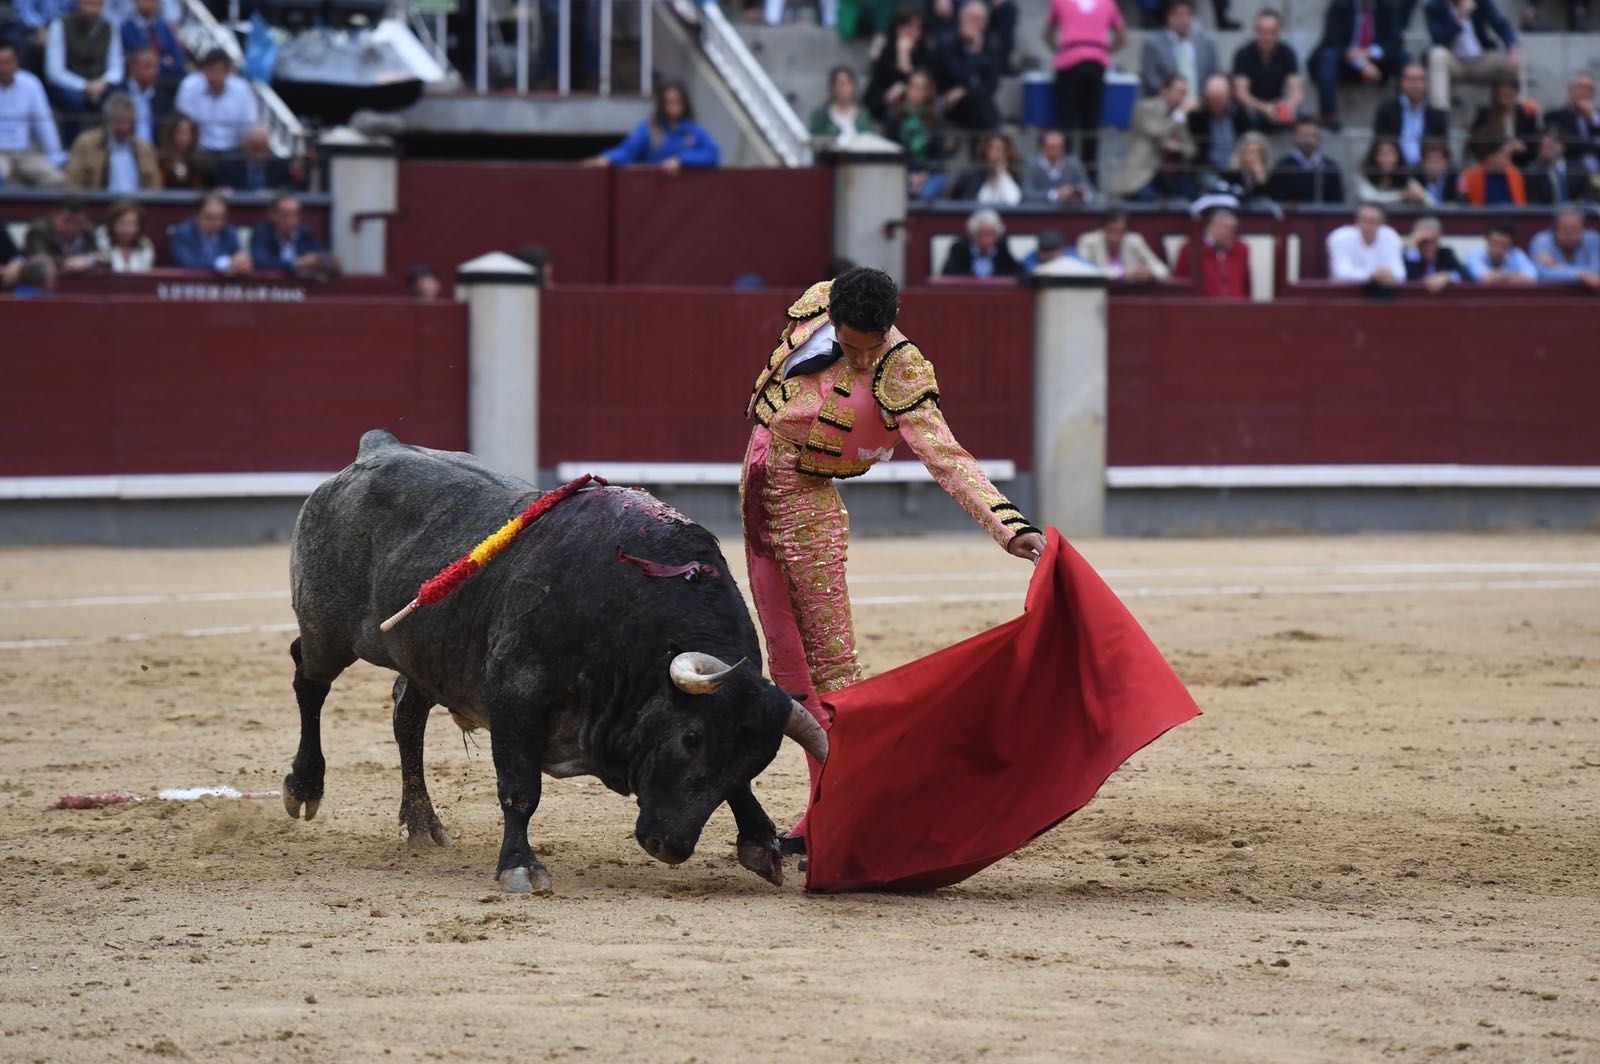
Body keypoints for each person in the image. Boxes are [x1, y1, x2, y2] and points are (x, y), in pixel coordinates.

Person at [740, 265, 1044, 851]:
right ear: (832, 317)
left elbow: (947, 456)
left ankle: (848, 814)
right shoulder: (817, 304)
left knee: (835, 675)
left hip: (807, 512)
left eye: (870, 348)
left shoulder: (900, 368)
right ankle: (822, 814)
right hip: (756, 498)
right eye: (851, 346)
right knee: (789, 671)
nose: (860, 360)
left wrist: (1008, 526)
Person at [1043, 0, 1124, 174]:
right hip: (1095, 63)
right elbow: (1121, 36)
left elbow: (1047, 34)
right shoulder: (1107, 3)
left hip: (1068, 62)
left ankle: (1064, 173)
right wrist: (1102, 50)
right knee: (1091, 124)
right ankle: (1089, 176)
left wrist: (1061, 50)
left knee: (1067, 122)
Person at [1310, 0, 1405, 131]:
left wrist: (1370, 52)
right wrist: (1361, 63)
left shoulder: (1387, 7)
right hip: (1346, 62)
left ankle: (1404, 112)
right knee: (1328, 57)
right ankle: (1329, 115)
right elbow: (1332, 39)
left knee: (1404, 58)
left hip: (1377, 63)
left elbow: (1395, 41)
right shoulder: (1340, 5)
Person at [588, 82, 718, 171]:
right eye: (669, 102)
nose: (673, 106)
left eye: (677, 101)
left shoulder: (694, 131)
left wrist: (681, 160)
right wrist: (608, 158)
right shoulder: (649, 129)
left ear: (684, 104)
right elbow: (628, 150)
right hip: (657, 190)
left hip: (687, 193)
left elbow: (712, 154)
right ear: (662, 104)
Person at [1111, 73, 1197, 201]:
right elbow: (1158, 131)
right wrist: (1179, 114)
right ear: (1164, 90)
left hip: (1169, 174)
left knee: (1193, 195)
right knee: (1147, 198)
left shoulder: (1178, 115)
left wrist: (1177, 148)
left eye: (1184, 93)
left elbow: (1191, 149)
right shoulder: (1144, 108)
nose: (1182, 98)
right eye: (1179, 92)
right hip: (1141, 173)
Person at [1424, 0, 1519, 113]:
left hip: (1480, 60)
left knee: (1516, 59)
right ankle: (1439, 114)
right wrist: (1459, 17)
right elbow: (1439, 40)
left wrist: (1512, 47)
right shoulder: (1434, 6)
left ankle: (1523, 114)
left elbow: (1500, 23)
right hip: (1454, 62)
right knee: (1436, 55)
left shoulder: (1480, 2)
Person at [43, 0, 122, 130]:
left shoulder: (110, 27)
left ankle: (108, 140)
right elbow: (54, 72)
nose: (91, 10)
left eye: (96, 5)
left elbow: (116, 68)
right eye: (87, 4)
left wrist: (101, 83)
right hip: (69, 84)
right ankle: (71, 141)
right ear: (77, 4)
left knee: (117, 96)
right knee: (74, 100)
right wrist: (84, 86)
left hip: (100, 84)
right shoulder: (59, 25)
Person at [0, 39, 67, 187]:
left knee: (58, 179)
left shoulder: (31, 84)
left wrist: (54, 155)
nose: (3, 68)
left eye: (7, 62)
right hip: (0, 155)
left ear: (17, 62)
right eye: (0, 63)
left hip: (25, 152)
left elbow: (44, 123)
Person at [64, 89, 159, 190]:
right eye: (119, 121)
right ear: (107, 119)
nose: (124, 127)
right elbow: (73, 183)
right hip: (99, 199)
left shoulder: (144, 148)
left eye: (129, 121)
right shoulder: (86, 144)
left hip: (137, 199)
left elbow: (155, 185)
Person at [933, 0, 1001, 131]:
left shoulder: (991, 45)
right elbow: (959, 75)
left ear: (986, 24)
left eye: (979, 19)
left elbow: (992, 84)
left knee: (981, 104)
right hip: (950, 101)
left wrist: (965, 91)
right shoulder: (946, 44)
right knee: (982, 109)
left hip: (977, 101)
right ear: (960, 20)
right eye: (971, 18)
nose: (974, 23)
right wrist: (975, 53)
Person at [174, 49, 256, 154]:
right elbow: (182, 121)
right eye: (210, 71)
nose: (214, 77)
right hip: (198, 149)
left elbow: (248, 124)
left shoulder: (242, 88)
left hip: (233, 149)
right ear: (203, 70)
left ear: (227, 72)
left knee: (258, 136)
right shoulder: (189, 86)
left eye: (218, 72)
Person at [1230, 9, 1301, 130]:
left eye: (1270, 32)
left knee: (1302, 113)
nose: (1265, 37)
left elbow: (1297, 91)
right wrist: (1265, 108)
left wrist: (1288, 106)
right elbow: (1241, 94)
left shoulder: (1287, 53)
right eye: (1261, 31)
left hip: (1277, 104)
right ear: (1256, 31)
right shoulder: (1243, 54)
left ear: (1278, 32)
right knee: (1246, 114)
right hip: (1253, 106)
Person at [887, 68, 951, 202]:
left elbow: (939, 155)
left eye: (922, 88)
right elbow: (891, 151)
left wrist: (922, 176)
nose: (918, 91)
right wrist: (910, 176)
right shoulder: (894, 117)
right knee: (900, 189)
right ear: (907, 89)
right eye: (914, 86)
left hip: (930, 172)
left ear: (928, 91)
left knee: (926, 193)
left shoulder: (936, 119)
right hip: (901, 171)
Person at [1138, 0, 1217, 105]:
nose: (1184, 20)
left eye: (1189, 15)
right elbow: (1151, 78)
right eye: (1180, 15)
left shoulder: (1207, 44)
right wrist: (1168, 92)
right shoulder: (1153, 44)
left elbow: (1215, 74)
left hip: (1201, 102)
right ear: (1169, 17)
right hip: (1167, 102)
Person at [1372, 61, 1449, 168]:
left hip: (1425, 171)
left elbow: (1441, 147)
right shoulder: (1387, 110)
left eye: (1420, 80)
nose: (1415, 85)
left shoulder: (1436, 115)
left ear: (1426, 83)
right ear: (1402, 82)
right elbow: (1381, 142)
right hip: (1396, 170)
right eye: (1411, 80)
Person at [864, 8, 933, 122]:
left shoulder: (926, 54)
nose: (913, 32)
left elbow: (924, 82)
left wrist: (904, 58)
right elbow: (879, 83)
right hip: (886, 103)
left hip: (917, 104)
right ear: (898, 28)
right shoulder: (887, 51)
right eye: (908, 27)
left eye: (918, 28)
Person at [250, 193, 338, 278]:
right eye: (286, 214)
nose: (291, 220)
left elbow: (319, 252)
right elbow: (260, 262)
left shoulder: (304, 232)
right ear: (273, 215)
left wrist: (326, 260)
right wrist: (295, 264)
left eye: (295, 214)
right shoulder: (262, 231)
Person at [1545, 73, 1600, 201]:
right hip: (1574, 175)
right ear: (1570, 90)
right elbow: (1568, 145)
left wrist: (1592, 117)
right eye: (1580, 87)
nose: (1584, 92)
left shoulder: (1596, 117)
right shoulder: (1557, 116)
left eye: (1588, 89)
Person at [1173, 207, 1249, 297]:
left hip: (1236, 304)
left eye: (1233, 229)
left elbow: (1246, 284)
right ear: (1210, 227)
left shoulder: (1241, 248)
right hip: (1202, 304)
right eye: (1225, 228)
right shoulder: (1190, 248)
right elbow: (1178, 283)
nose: (1229, 233)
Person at [167, 190, 250, 273]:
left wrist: (241, 262)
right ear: (197, 215)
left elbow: (238, 256)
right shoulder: (182, 233)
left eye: (221, 217)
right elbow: (186, 263)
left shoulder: (229, 232)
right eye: (209, 218)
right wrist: (222, 263)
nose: (217, 223)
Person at [1326, 202, 1404, 289]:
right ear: (1356, 221)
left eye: (1373, 221)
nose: (1368, 226)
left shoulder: (1391, 236)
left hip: (1384, 290)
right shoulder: (1340, 237)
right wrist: (1372, 275)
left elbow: (1400, 274)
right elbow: (1340, 273)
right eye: (1364, 220)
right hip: (1345, 291)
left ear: (1382, 223)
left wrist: (1384, 276)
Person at [1268, 116, 1345, 203]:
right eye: (1303, 135)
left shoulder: (1331, 167)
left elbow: (1337, 203)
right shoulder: (1282, 167)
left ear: (1318, 138)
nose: (1307, 140)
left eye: (1312, 135)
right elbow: (1278, 201)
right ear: (1294, 137)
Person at [1075, 209, 1169, 280]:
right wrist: (1122, 273)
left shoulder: (1135, 241)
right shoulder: (1088, 241)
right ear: (1102, 228)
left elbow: (1162, 269)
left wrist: (1150, 273)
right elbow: (1081, 272)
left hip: (1129, 294)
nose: (1115, 236)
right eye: (1111, 230)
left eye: (1121, 231)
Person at [1467, 75, 1540, 164]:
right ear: (1496, 94)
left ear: (1516, 92)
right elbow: (1475, 143)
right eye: (1502, 94)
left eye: (1510, 93)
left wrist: (1523, 149)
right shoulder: (1485, 114)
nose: (1506, 97)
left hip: (1520, 166)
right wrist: (1501, 151)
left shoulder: (1526, 115)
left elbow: (1534, 146)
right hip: (1491, 166)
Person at [1188, 72, 1245, 181]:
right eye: (1212, 100)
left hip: (1235, 165)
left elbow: (1246, 139)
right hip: (1208, 168)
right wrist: (1182, 111)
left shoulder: (1238, 113)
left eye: (1220, 99)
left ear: (1228, 96)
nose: (1216, 104)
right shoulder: (1197, 116)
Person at [1529, 204, 1600, 289]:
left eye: (1575, 229)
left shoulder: (1593, 240)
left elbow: (1595, 274)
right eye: (1565, 230)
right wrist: (1579, 275)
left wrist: (1557, 266)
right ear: (1554, 230)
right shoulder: (1541, 241)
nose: (1571, 235)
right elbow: (1541, 274)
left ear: (1583, 229)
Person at [941, 206, 1023, 277]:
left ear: (996, 236)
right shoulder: (959, 250)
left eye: (989, 234)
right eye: (980, 234)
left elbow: (1018, 274)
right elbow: (946, 276)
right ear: (972, 235)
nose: (985, 240)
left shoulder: (1002, 251)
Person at [212, 124, 297, 191]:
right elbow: (223, 188)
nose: (258, 152)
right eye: (254, 147)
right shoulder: (229, 163)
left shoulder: (279, 165)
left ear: (267, 145)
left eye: (261, 147)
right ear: (245, 145)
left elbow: (286, 189)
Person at [117, 0, 182, 88]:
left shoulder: (163, 27)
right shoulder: (125, 29)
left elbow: (178, 59)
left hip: (166, 81)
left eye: (154, 1)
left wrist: (154, 65)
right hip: (138, 83)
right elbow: (135, 61)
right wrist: (164, 63)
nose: (151, 4)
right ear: (135, 2)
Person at [1021, 128, 1094, 205]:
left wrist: (1081, 193)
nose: (1056, 150)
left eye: (1060, 147)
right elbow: (1027, 194)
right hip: (1039, 211)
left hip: (1069, 210)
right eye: (1052, 147)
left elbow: (1091, 192)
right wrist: (1056, 194)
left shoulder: (1074, 164)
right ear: (1042, 148)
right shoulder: (1031, 165)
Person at [24, 197, 97, 271]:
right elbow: (38, 260)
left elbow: (97, 256)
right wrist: (70, 261)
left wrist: (91, 259)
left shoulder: (88, 232)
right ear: (55, 217)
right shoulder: (38, 231)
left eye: (78, 223)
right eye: (67, 221)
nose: (71, 228)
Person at [949, 131, 1021, 204]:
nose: (996, 155)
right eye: (992, 149)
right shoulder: (970, 177)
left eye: (1000, 149)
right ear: (984, 151)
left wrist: (1001, 174)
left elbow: (1013, 202)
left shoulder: (1016, 177)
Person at [809, 66, 872, 145]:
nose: (845, 88)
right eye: (841, 84)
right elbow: (814, 140)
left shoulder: (863, 114)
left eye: (849, 83)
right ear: (833, 87)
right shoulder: (821, 115)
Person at [1355, 136, 1428, 204]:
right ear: (1374, 156)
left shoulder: (1406, 179)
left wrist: (1418, 196)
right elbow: (1369, 198)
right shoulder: (1363, 176)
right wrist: (1402, 195)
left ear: (1398, 156)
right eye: (1382, 154)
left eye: (1391, 153)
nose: (1386, 158)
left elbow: (1429, 201)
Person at [1402, 215, 1466, 290]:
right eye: (1424, 241)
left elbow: (1466, 275)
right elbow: (1409, 278)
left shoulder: (1445, 254)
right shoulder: (1408, 256)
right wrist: (1411, 248)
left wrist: (1447, 276)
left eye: (1433, 241)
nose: (1429, 247)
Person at [1458, 137, 1525, 205]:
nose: (1508, 161)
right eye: (1504, 156)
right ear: (1490, 156)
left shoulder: (1515, 174)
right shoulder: (1468, 175)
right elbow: (1462, 202)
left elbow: (1521, 204)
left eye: (1509, 156)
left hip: (1512, 211)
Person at [1464, 221, 1536, 283]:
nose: (1498, 248)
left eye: (1503, 244)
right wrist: (1513, 276)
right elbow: (1485, 279)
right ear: (1487, 239)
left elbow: (1531, 278)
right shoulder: (1475, 255)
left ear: (1510, 243)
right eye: (1495, 243)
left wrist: (1498, 276)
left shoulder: (1517, 254)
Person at [1524, 128, 1583, 205]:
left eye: (1552, 145)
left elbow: (1587, 198)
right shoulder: (1532, 174)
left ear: (1563, 146)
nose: (1548, 149)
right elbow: (1534, 204)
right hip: (1547, 212)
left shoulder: (1578, 169)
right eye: (1544, 146)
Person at [95, 196, 153, 271]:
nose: (126, 229)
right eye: (121, 223)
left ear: (139, 226)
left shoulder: (145, 245)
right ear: (111, 225)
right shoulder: (100, 242)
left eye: (131, 224)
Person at [123, 45, 167, 142]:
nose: (153, 72)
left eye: (155, 66)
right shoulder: (118, 92)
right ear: (133, 67)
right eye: (147, 66)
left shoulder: (161, 97)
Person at [154, 109, 204, 187]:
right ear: (170, 133)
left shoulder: (197, 163)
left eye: (186, 133)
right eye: (179, 132)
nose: (183, 138)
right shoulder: (159, 160)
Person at [1219, 129, 1272, 201]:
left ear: (1263, 155)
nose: (1250, 157)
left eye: (1255, 153)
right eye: (1247, 152)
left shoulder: (1272, 175)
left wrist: (1260, 180)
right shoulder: (1230, 175)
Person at [1415, 138, 1458, 203]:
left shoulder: (1455, 179)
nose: (1434, 166)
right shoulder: (1416, 179)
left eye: (1437, 161)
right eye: (1430, 161)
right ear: (1423, 162)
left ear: (1446, 161)